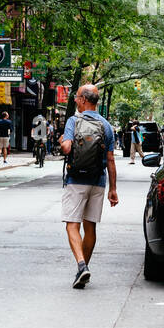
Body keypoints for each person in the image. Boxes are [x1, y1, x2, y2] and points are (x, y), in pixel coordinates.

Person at [60, 84, 118, 288]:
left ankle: (82, 266)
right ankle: (82, 271)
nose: (75, 100)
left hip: (76, 181)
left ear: (84, 100)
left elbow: (67, 147)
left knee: (72, 224)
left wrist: (62, 141)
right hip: (98, 181)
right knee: (90, 226)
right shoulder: (106, 125)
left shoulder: (73, 121)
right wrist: (113, 189)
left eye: (76, 97)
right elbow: (110, 159)